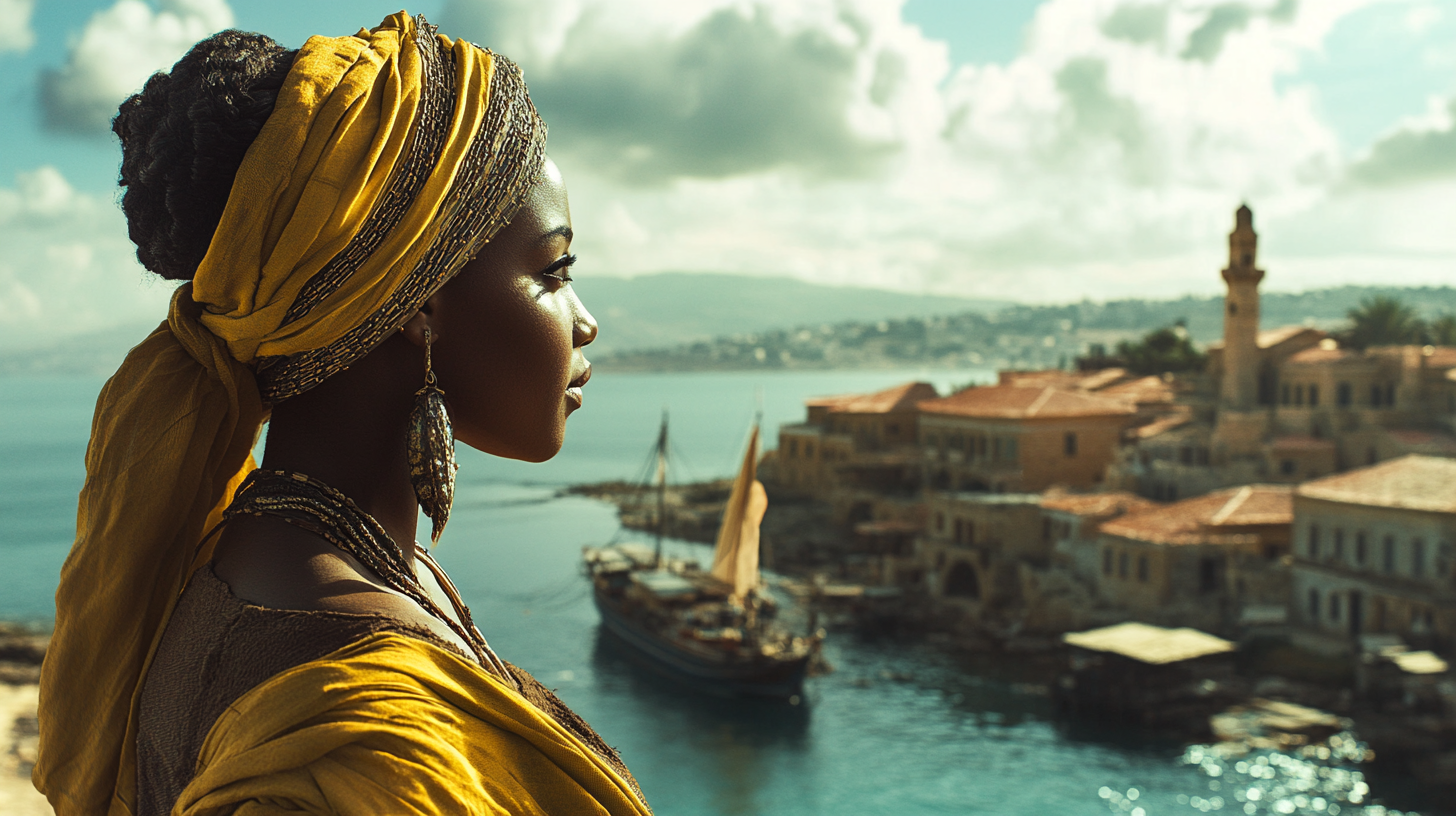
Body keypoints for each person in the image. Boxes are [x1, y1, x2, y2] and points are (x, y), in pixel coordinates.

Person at [33, 13, 650, 816]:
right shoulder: (349, 729)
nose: (584, 320)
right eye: (554, 270)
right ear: (416, 302)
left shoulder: (265, 558)